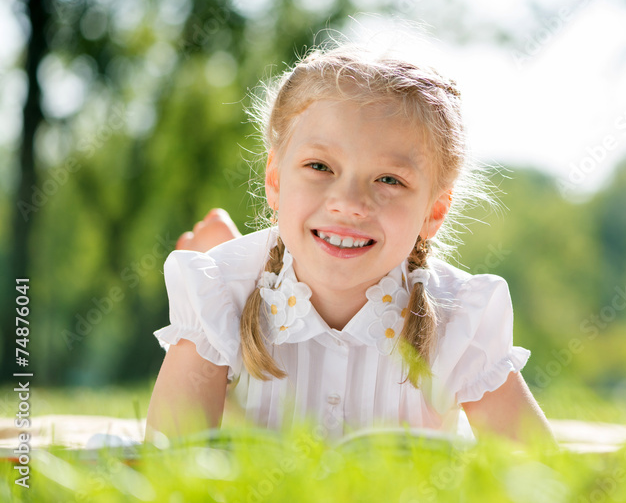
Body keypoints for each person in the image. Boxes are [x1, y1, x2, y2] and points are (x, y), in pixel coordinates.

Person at [146, 41, 554, 448]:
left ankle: (229, 242)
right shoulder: (216, 296)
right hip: (236, 283)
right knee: (231, 275)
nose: (349, 204)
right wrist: (219, 278)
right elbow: (167, 461)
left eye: (389, 179)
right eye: (320, 167)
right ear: (275, 181)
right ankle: (227, 248)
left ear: (433, 212)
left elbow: (538, 470)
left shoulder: (461, 316)